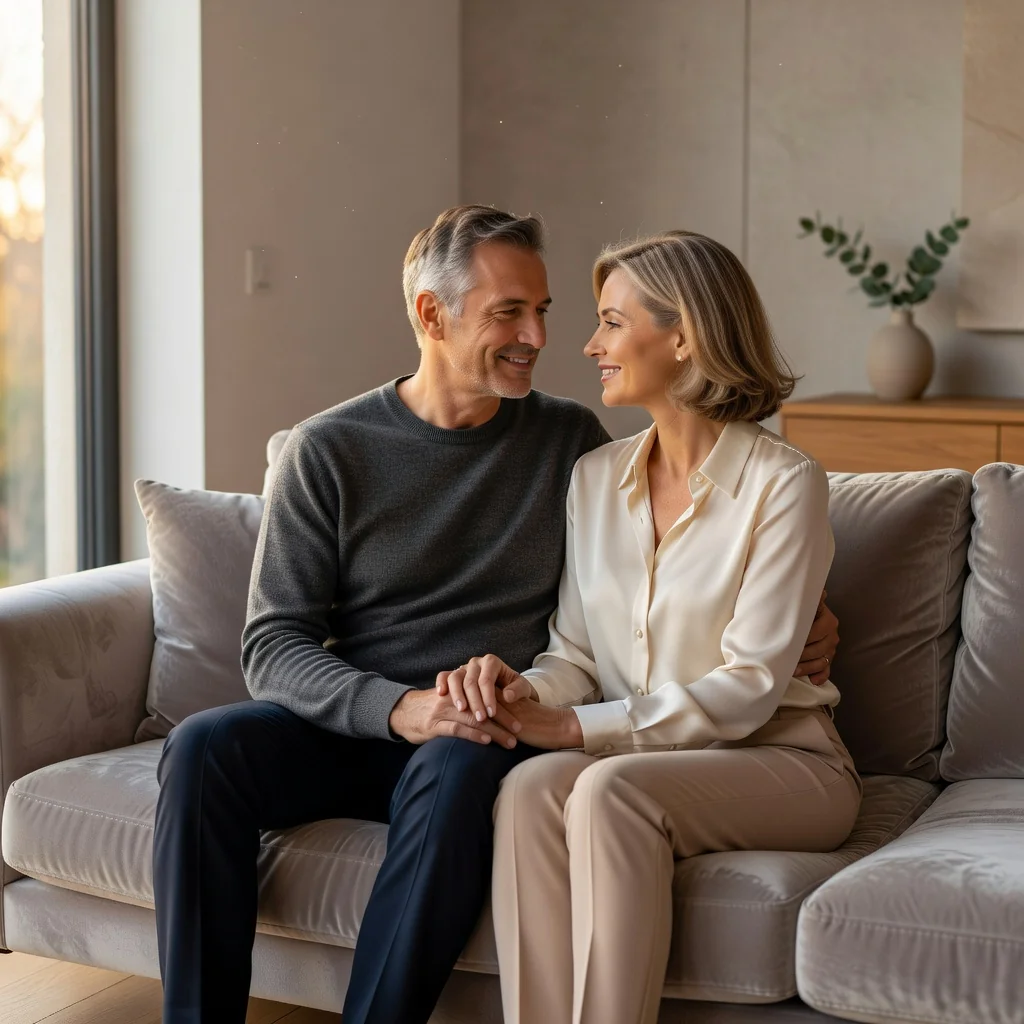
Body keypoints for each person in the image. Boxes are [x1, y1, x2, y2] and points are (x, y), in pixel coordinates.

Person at [151, 207, 840, 1024]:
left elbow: (677, 569)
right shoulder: (327, 449)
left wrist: (811, 610)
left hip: (486, 730)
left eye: (544, 310)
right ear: (430, 314)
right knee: (203, 747)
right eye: (508, 312)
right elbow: (274, 645)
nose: (540, 337)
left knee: (462, 756)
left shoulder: (567, 443)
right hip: (373, 722)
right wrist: (402, 709)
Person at [440, 231, 862, 1024]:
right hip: (644, 755)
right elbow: (576, 652)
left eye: (610, 322)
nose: (590, 344)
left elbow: (751, 686)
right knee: (530, 787)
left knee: (609, 789)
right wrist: (521, 689)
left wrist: (572, 725)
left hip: (783, 760)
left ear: (683, 336)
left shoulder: (783, 483)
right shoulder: (595, 479)